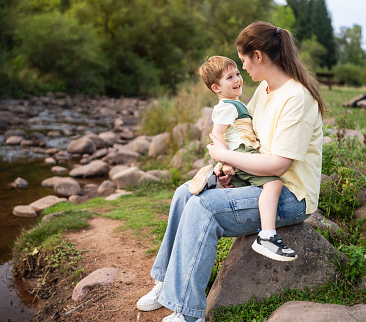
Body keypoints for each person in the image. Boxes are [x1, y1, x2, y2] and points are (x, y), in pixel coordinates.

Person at [137, 21, 325, 322]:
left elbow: (278, 165)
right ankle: (165, 281)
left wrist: (223, 154)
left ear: (259, 56)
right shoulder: (265, 90)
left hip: (288, 194)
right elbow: (246, 136)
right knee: (186, 193)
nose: (243, 68)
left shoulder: (296, 98)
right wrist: (229, 167)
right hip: (257, 179)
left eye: (243, 61)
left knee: (204, 208)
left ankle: (188, 312)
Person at [189, 55, 296, 261]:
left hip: (240, 153)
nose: (237, 79)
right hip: (242, 153)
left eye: (237, 73)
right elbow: (217, 136)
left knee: (238, 187)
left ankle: (213, 182)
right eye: (229, 77)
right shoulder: (228, 107)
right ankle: (267, 235)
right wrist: (226, 160)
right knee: (273, 184)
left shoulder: (233, 104)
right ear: (216, 88)